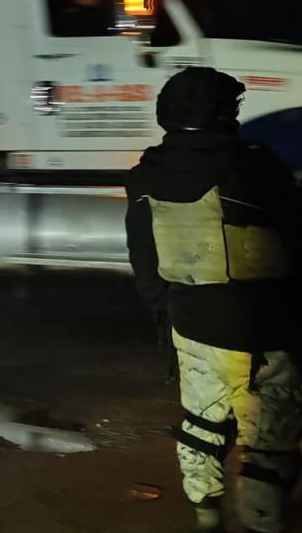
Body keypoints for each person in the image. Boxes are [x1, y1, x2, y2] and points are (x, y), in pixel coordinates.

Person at [126, 67, 300, 533]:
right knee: (270, 433)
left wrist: (169, 311)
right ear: (221, 113)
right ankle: (262, 520)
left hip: (192, 321)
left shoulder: (145, 174)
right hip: (264, 324)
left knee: (203, 422)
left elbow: (144, 258)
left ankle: (205, 516)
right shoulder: (255, 165)